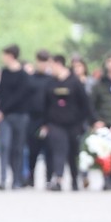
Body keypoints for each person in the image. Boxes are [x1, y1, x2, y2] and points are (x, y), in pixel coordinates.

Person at [41, 54, 91, 191]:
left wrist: (84, 121)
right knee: (59, 150)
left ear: (58, 64)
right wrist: (45, 123)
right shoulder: (50, 83)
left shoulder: (75, 82)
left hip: (73, 123)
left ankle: (75, 179)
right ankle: (58, 178)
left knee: (73, 152)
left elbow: (85, 104)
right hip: (55, 123)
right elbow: (45, 104)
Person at [0, 45, 32, 190]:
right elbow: (2, 93)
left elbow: (19, 96)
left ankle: (17, 179)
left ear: (11, 55)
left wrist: (3, 109)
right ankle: (3, 178)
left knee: (18, 148)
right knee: (4, 145)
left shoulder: (23, 75)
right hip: (5, 116)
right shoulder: (4, 72)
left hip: (20, 115)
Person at [90, 55, 111, 190]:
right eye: (110, 61)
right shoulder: (99, 84)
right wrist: (96, 121)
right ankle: (106, 178)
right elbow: (92, 105)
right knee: (103, 152)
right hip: (104, 123)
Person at [25, 50, 53, 187]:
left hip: (48, 119)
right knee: (32, 150)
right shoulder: (30, 79)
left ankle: (49, 178)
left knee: (49, 151)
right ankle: (30, 176)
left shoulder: (52, 80)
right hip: (33, 118)